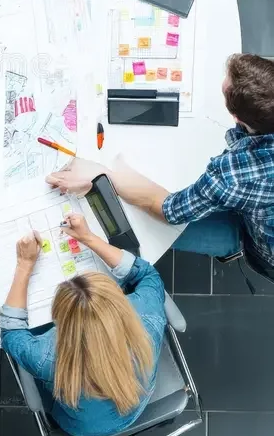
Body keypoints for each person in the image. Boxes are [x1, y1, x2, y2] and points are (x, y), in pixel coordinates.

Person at [47, 54, 274, 277]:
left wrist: (102, 173)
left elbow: (170, 210)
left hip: (262, 246)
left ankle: (235, 246)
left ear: (236, 117)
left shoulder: (232, 175)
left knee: (147, 224)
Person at [0, 214, 166, 436]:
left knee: (35, 333)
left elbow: (11, 333)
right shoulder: (147, 318)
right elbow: (147, 275)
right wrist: (89, 238)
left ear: (61, 320)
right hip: (138, 403)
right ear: (119, 302)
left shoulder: (45, 357)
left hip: (81, 427)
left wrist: (25, 265)